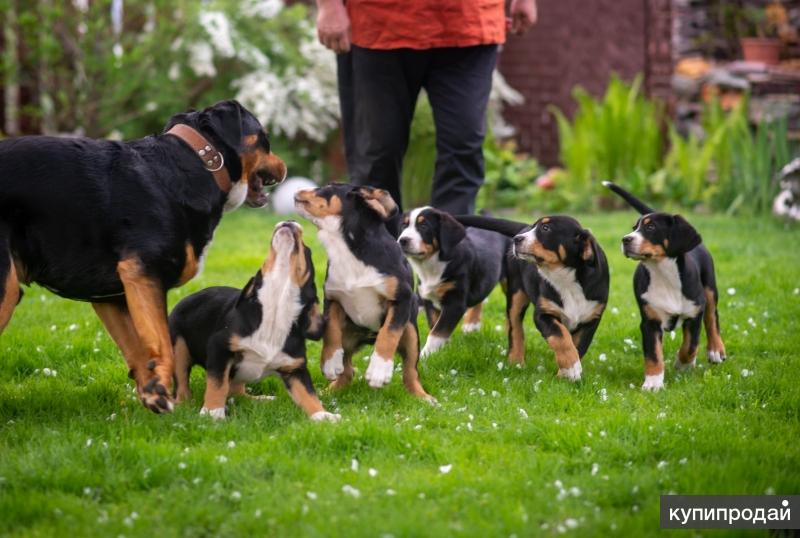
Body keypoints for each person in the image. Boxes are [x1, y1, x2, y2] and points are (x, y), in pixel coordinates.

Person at [315, 0, 537, 221]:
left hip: (470, 24)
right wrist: (329, 6)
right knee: (376, 154)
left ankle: (449, 250)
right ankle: (377, 251)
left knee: (463, 144)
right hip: (377, 23)